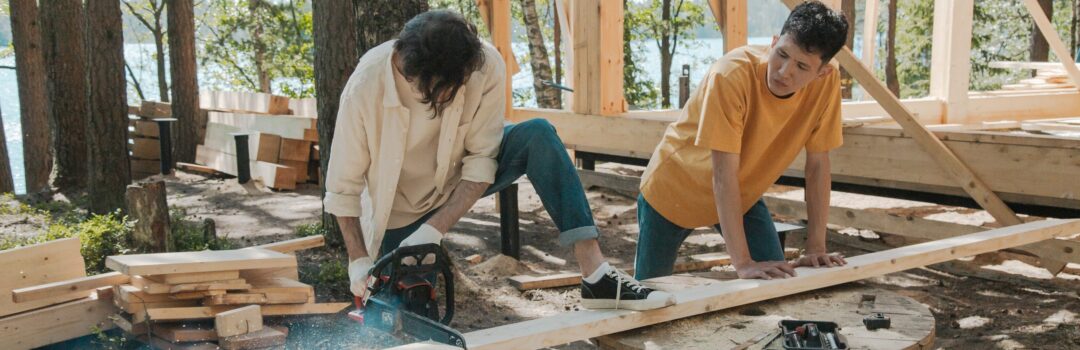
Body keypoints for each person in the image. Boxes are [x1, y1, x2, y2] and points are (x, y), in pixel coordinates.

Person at [324, 10, 674, 311]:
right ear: (425, 78)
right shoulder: (366, 86)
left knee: (538, 134)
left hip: (460, 179)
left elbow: (481, 160)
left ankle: (596, 275)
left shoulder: (484, 64)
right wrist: (358, 260)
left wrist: (435, 229)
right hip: (398, 211)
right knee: (407, 315)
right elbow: (343, 187)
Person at [634, 1, 850, 281]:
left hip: (741, 194)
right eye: (782, 54)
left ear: (823, 72)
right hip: (675, 188)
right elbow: (722, 175)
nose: (784, 72)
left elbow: (818, 165)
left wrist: (816, 246)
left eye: (801, 66)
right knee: (645, 298)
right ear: (773, 41)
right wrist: (743, 262)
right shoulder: (730, 75)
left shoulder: (826, 87)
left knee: (778, 277)